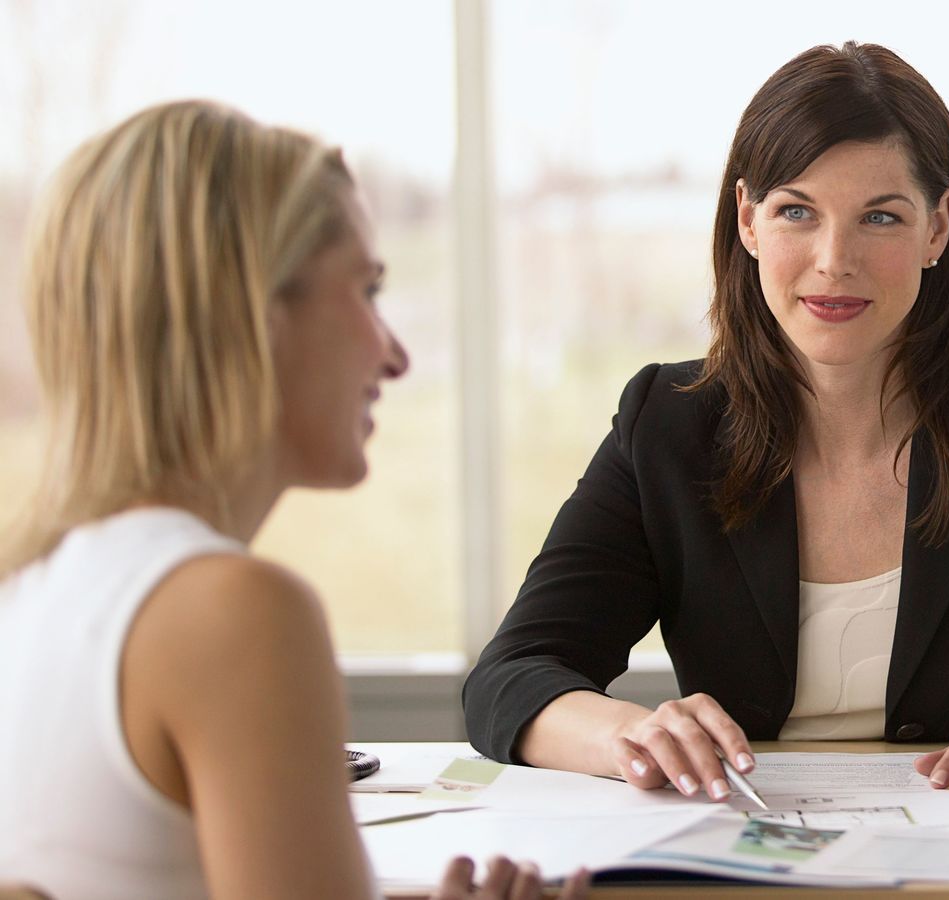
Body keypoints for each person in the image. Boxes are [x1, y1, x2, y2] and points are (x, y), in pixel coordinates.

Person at [462, 41, 949, 801]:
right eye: (796, 212)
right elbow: (511, 677)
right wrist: (629, 736)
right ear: (747, 221)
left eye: (880, 217)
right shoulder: (667, 429)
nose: (834, 259)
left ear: (937, 229)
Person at [0, 101, 586, 900]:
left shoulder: (32, 587)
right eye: (367, 290)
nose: (396, 355)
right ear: (253, 313)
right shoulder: (233, 615)